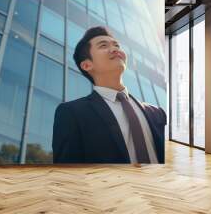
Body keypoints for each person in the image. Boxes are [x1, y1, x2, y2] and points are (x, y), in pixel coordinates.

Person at [52, 26, 166, 164]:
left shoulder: (157, 113)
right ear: (87, 65)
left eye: (116, 45)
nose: (115, 49)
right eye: (103, 46)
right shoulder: (72, 113)